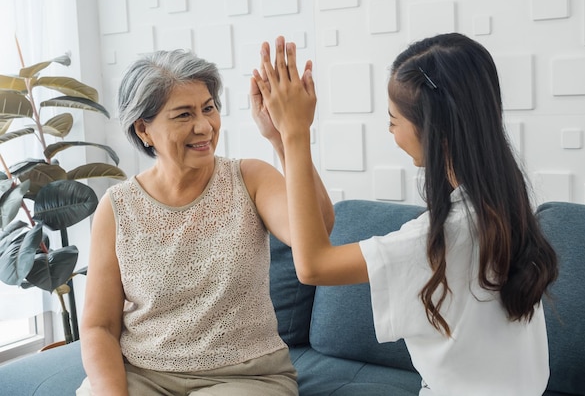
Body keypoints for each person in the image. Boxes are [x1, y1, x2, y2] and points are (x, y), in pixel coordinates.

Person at [252, 33, 559, 396]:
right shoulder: (505, 210)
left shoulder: (443, 238)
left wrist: (296, 134)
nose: (390, 130)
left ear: (434, 129)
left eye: (394, 120)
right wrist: (280, 139)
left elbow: (313, 265)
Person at [78, 48, 334, 396]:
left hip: (246, 379)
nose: (204, 126)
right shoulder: (118, 207)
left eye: (209, 108)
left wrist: (285, 136)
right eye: (183, 115)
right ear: (144, 129)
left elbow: (316, 231)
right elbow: (99, 326)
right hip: (142, 375)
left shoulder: (249, 178)